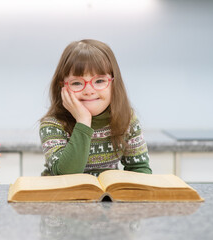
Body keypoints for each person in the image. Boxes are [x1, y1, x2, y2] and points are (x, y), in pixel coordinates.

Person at [39, 39, 152, 176]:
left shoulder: (127, 119)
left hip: (105, 196)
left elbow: (140, 169)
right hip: (62, 196)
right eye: (77, 83)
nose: (89, 90)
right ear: (63, 87)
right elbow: (66, 174)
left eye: (99, 81)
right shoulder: (53, 124)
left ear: (113, 83)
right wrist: (83, 121)